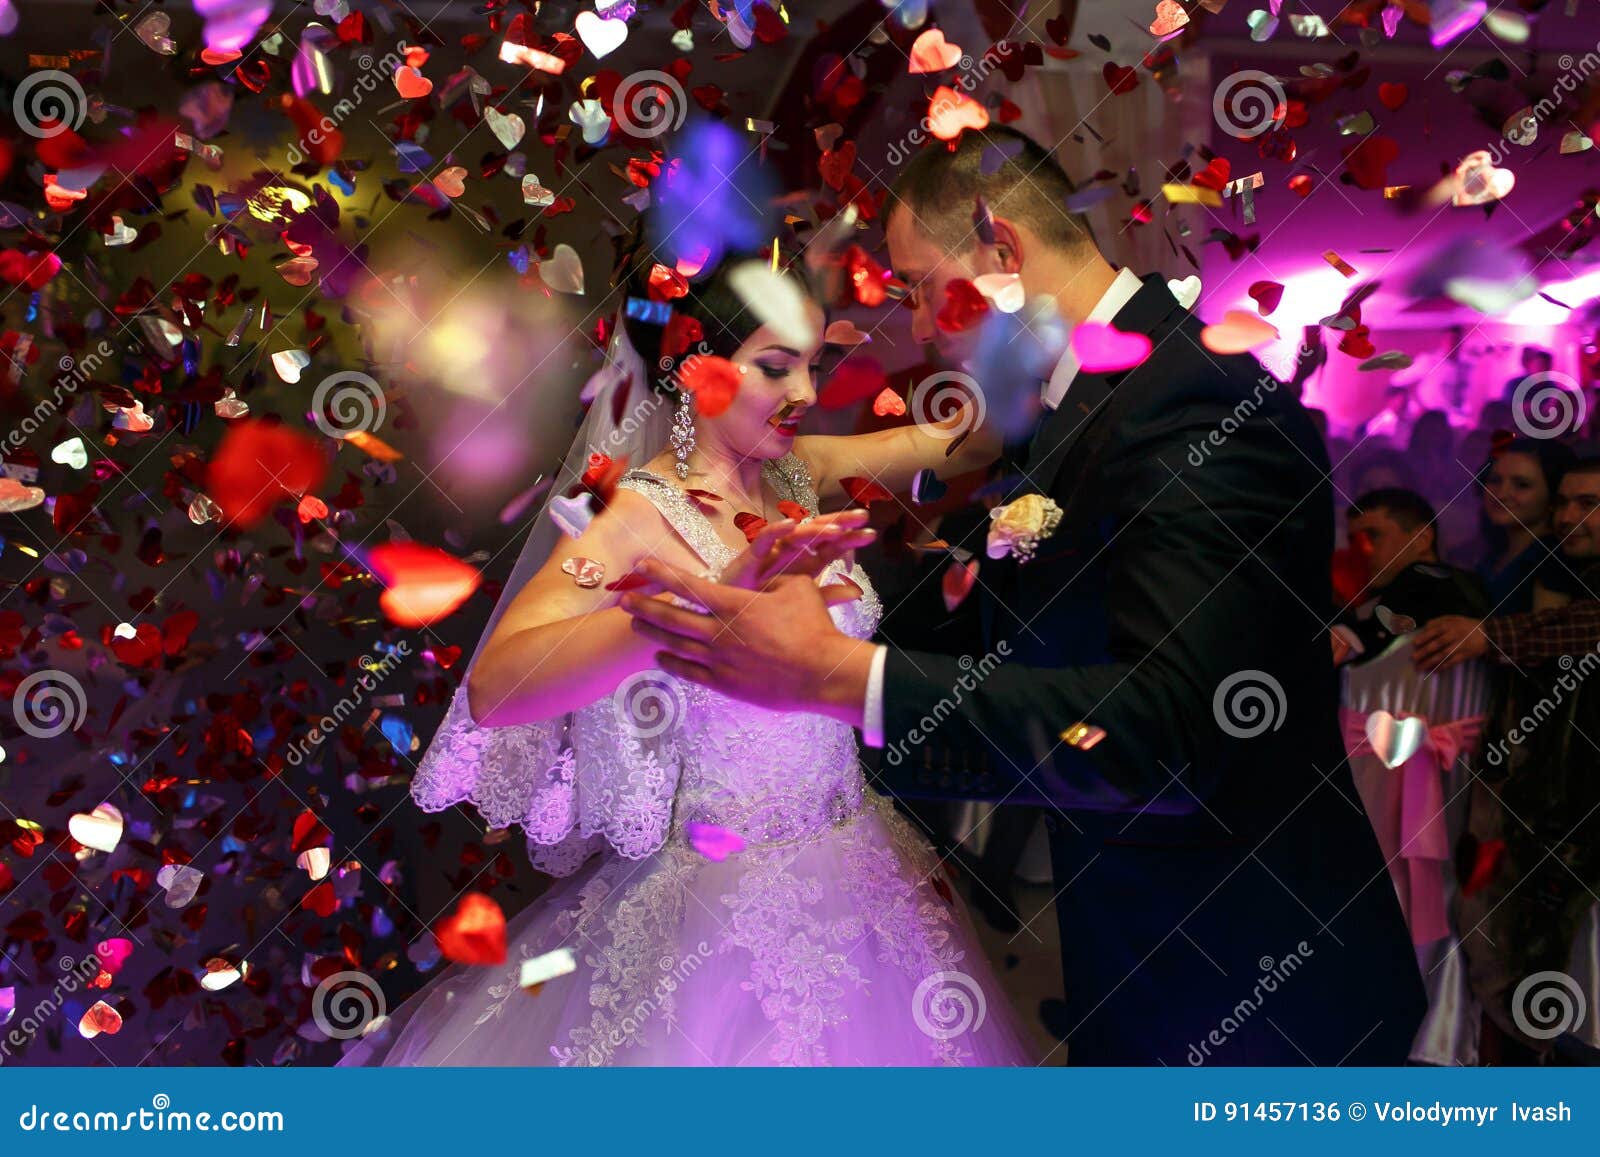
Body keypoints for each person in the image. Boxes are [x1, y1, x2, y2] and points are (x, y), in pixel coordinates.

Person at [622, 125, 1428, 1065]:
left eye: (919, 286)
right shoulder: (1082, 400)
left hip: (1255, 989)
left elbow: (1168, 733)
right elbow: (1010, 582)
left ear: (1000, 251)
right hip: (1149, 958)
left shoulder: (1197, 406)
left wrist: (841, 674)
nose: (918, 326)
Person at [337, 231, 1036, 1066]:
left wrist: (990, 322)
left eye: (812, 364)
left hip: (857, 861)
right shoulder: (636, 516)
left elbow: (974, 439)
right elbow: (497, 684)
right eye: (777, 366)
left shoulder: (798, 474)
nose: (807, 390)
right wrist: (686, 610)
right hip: (721, 901)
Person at [1412, 461, 1600, 1061]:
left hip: (1572, 806)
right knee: (1515, 942)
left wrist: (1491, 638)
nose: (1570, 517)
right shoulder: (1560, 568)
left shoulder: (1558, 580)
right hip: (1535, 791)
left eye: (1589, 504)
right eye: (1566, 503)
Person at [1332, 488, 1488, 665]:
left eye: (1372, 536)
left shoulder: (1424, 581)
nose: (1362, 550)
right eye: (1354, 541)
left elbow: (1369, 643)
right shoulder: (1470, 585)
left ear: (1421, 539)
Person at [1474, 437, 1575, 615]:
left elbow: (1544, 637)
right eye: (1495, 480)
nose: (1502, 494)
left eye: (1522, 485)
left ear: (1553, 497)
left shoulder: (1552, 559)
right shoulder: (1494, 553)